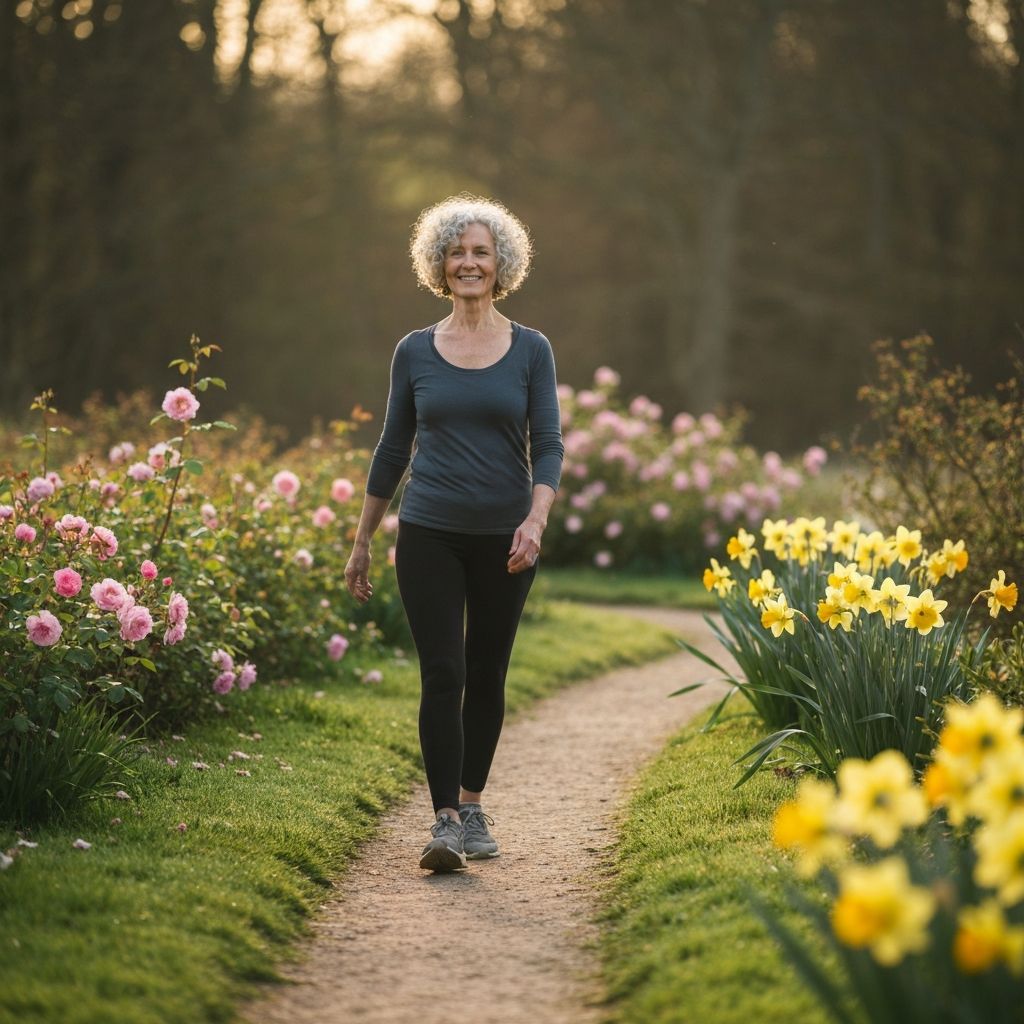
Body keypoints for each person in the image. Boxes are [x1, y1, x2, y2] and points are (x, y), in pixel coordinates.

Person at [344, 194, 564, 873]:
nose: (469, 263)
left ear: (502, 266)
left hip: (505, 538)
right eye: (458, 252)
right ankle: (442, 824)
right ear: (439, 265)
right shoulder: (414, 351)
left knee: (488, 672)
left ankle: (472, 807)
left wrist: (535, 519)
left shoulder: (531, 350)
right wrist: (362, 539)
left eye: (481, 253)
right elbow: (392, 448)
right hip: (430, 531)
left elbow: (548, 443)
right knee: (443, 672)